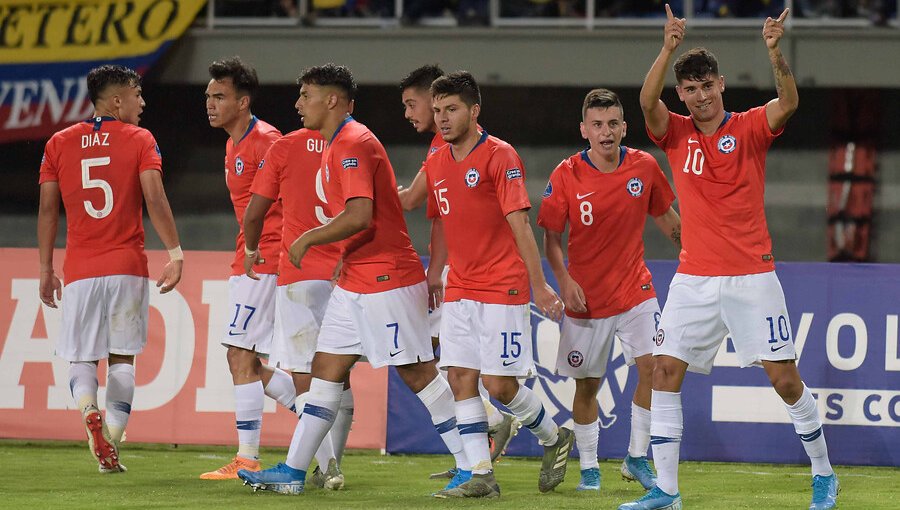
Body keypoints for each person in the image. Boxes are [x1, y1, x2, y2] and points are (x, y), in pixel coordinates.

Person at [620, 5, 838, 510]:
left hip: (751, 276)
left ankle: (825, 474)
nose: (699, 97)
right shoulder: (673, 133)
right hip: (694, 278)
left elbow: (789, 100)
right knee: (663, 372)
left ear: (720, 84)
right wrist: (668, 46)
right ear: (684, 95)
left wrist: (774, 51)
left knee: (785, 381)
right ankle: (668, 493)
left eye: (706, 87)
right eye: (690, 90)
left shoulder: (750, 128)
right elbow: (646, 101)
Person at [237, 63, 468, 495]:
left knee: (417, 373)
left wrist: (309, 238)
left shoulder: (352, 144)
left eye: (306, 95)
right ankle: (293, 472)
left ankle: (473, 463)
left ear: (331, 100)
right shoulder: (333, 144)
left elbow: (360, 215)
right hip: (355, 280)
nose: (298, 104)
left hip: (386, 278)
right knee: (324, 370)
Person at [423, 71, 573, 498]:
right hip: (460, 289)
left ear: (474, 111)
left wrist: (539, 285)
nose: (442, 119)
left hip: (502, 288)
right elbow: (440, 219)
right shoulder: (436, 161)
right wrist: (437, 270)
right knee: (460, 379)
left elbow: (521, 224)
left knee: (500, 386)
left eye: (451, 109)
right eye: (437, 111)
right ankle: (481, 474)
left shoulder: (500, 156)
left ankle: (553, 437)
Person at [37, 64, 183, 473]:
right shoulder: (140, 139)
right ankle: (111, 445)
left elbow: (49, 210)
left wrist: (46, 268)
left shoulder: (58, 143)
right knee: (122, 360)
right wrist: (175, 252)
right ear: (117, 100)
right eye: (137, 94)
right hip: (126, 266)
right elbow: (154, 198)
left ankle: (88, 410)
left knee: (82, 359)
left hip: (80, 269)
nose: (143, 102)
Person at [538, 88, 681, 494]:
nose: (606, 132)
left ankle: (636, 457)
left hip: (636, 290)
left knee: (656, 369)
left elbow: (667, 217)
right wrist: (564, 281)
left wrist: (695, 252)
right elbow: (551, 237)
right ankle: (589, 467)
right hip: (587, 300)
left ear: (624, 127)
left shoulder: (645, 167)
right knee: (588, 386)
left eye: (613, 123)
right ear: (584, 129)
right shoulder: (565, 174)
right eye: (597, 125)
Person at [398, 64, 521, 472]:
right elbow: (441, 210)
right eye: (432, 109)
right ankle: (474, 461)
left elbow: (419, 203)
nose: (412, 114)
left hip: (483, 277)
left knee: (429, 361)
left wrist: (365, 190)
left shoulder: (459, 149)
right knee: (448, 367)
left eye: (411, 104)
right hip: (458, 277)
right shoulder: (441, 151)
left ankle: (501, 426)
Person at [241, 91, 350, 490]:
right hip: (346, 274)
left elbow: (255, 212)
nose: (298, 104)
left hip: (300, 274)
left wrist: (252, 250)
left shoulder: (284, 146)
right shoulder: (352, 141)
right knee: (339, 375)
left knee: (306, 376)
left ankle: (327, 465)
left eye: (304, 96)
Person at [199, 57, 300, 480]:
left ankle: (248, 457)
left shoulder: (267, 140)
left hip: (267, 260)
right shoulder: (233, 144)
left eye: (219, 96)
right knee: (246, 360)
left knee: (241, 354)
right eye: (208, 96)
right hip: (249, 259)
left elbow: (292, 200)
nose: (210, 104)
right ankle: (319, 418)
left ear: (243, 102)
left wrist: (271, 254)